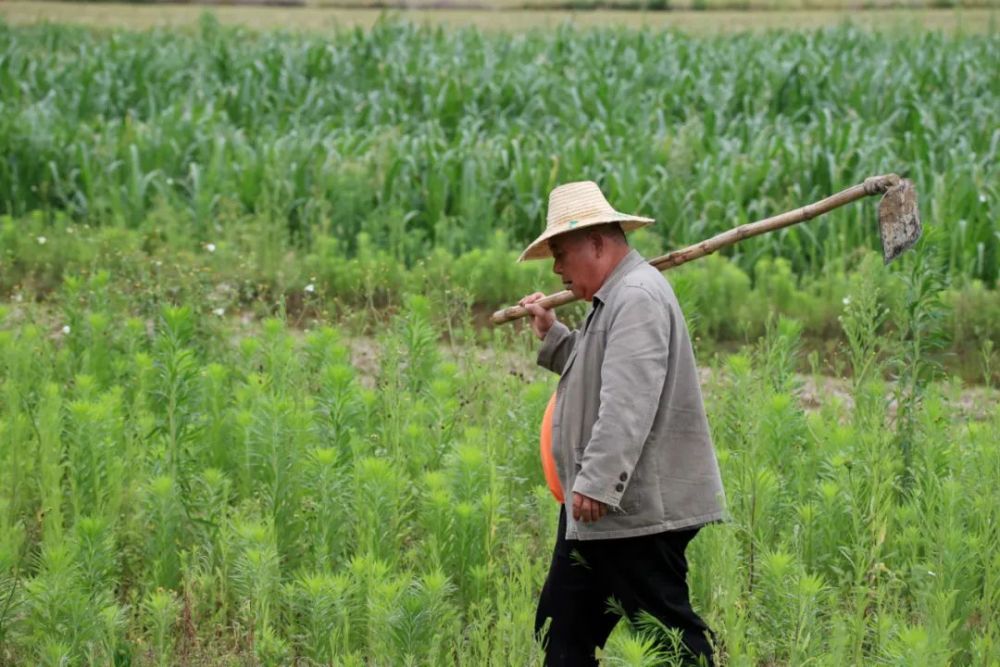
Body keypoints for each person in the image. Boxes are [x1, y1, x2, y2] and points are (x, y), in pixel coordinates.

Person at [517, 181, 726, 666]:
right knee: (562, 629)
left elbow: (628, 401)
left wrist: (596, 481)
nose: (555, 268)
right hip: (599, 509)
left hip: (632, 511)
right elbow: (600, 369)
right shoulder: (613, 300)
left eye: (561, 252)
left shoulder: (636, 296)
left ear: (596, 242)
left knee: (669, 638)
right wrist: (555, 335)